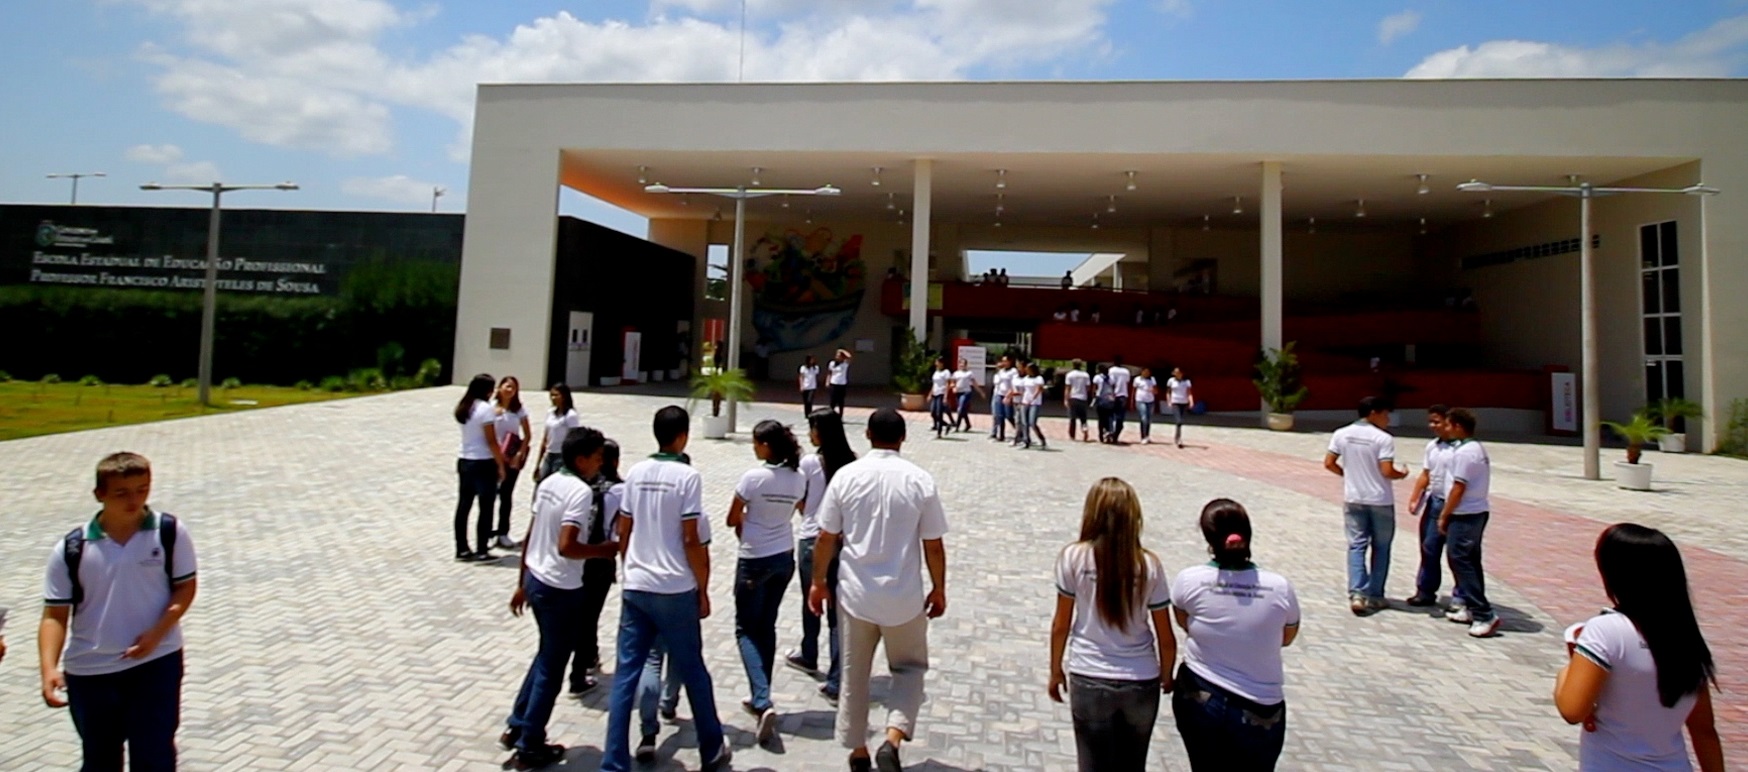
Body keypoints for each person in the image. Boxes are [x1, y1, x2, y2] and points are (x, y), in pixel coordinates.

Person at [40, 452, 198, 772]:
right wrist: (48, 669)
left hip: (156, 663)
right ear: (99, 494)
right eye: (122, 493)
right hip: (91, 671)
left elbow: (185, 587)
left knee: (154, 756)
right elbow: (54, 615)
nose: (134, 500)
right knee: (100, 759)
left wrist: (157, 634)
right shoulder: (73, 548)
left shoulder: (169, 532)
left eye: (142, 489)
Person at [810, 408, 949, 772]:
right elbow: (933, 543)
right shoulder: (920, 480)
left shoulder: (846, 477)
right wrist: (939, 588)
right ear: (903, 438)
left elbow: (826, 537)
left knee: (855, 674)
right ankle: (893, 735)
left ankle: (858, 750)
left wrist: (818, 582)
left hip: (856, 594)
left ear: (868, 435)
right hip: (904, 596)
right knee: (910, 667)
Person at [602, 406, 730, 772]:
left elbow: (624, 529)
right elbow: (692, 537)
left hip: (637, 585)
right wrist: (702, 586)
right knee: (692, 669)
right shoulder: (687, 477)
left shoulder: (636, 474)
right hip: (675, 587)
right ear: (683, 436)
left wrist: (631, 568)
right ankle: (711, 747)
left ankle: (613, 759)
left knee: (627, 673)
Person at [1554, 524, 1723, 771]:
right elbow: (1704, 731)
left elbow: (1572, 709)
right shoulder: (1686, 638)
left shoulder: (1605, 630)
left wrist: (1565, 673)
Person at [499, 427, 614, 769]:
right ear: (581, 459)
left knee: (545, 654)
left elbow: (532, 534)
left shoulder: (548, 482)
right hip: (560, 589)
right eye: (596, 458)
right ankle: (531, 744)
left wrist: (522, 582)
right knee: (552, 666)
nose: (600, 464)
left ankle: (518, 724)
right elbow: (567, 546)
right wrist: (603, 550)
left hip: (536, 578)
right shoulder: (579, 492)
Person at [1048, 478, 1176, 772]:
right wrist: (1166, 674)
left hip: (1090, 674)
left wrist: (1055, 669)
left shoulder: (1073, 557)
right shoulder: (1149, 565)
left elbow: (1060, 624)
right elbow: (1165, 635)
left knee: (1092, 765)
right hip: (1141, 678)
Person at [1172, 499, 1300, 771]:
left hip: (1201, 695)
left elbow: (1185, 622)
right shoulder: (1279, 587)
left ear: (1208, 537)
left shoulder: (1189, 580)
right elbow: (1287, 637)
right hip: (1260, 705)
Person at [726, 420, 807, 743]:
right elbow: (800, 510)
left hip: (754, 559)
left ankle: (761, 698)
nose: (754, 448)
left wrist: (748, 522)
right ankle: (762, 693)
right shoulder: (798, 478)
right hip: (782, 556)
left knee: (745, 628)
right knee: (767, 625)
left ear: (767, 446)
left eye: (756, 443)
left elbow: (732, 517)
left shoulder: (753, 478)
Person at [787, 409, 857, 704]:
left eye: (812, 428)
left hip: (813, 539)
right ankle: (837, 675)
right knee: (836, 613)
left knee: (811, 600)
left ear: (821, 432)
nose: (810, 434)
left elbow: (800, 499)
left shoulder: (809, 463)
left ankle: (809, 652)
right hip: (841, 541)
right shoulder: (851, 462)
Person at [1323, 397, 1409, 616]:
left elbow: (1329, 463)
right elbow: (1387, 470)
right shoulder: (1383, 438)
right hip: (1380, 499)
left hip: (1354, 498)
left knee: (1356, 545)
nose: (1387, 419)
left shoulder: (1341, 434)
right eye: (1385, 414)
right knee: (1381, 547)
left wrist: (1347, 474)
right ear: (1373, 413)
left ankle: (1357, 593)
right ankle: (1376, 595)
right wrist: (1402, 475)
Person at [1436, 408, 1499, 638]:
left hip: (1465, 514)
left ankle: (1484, 613)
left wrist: (1445, 514)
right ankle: (1472, 607)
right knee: (1470, 560)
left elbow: (1458, 487)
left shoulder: (1465, 453)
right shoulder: (1474, 449)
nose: (1446, 428)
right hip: (1475, 511)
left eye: (1449, 425)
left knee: (1460, 560)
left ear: (1459, 427)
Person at [570, 439, 625, 696]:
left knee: (582, 612)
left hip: (577, 554)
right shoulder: (620, 489)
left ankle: (588, 657)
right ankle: (578, 672)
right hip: (602, 556)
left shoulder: (583, 484)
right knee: (590, 614)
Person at [1405, 405, 1458, 608]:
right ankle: (1425, 591)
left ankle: (1461, 595)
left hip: (1454, 505)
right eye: (1431, 421)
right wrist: (1414, 497)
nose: (1433, 426)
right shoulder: (1432, 447)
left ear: (1449, 422)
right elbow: (1426, 474)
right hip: (1433, 501)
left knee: (1456, 553)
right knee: (1428, 547)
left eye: (1437, 421)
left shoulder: (1460, 449)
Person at [455, 373, 507, 561]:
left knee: (464, 505)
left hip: (465, 459)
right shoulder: (486, 409)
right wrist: (500, 465)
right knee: (486, 506)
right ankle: (482, 549)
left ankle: (461, 548)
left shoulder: (465, 407)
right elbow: (491, 441)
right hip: (483, 461)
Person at [493, 376, 533, 550]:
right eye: (507, 386)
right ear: (500, 387)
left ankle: (503, 532)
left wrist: (519, 453)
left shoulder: (519, 410)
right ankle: (487, 532)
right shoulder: (491, 409)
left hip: (511, 457)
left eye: (513, 388)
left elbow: (528, 434)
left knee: (506, 495)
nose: (510, 390)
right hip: (493, 457)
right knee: (489, 496)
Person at [533, 384, 582, 485]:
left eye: (556, 395)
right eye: (551, 395)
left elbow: (574, 438)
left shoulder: (570, 415)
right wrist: (538, 464)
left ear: (564, 396)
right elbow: (545, 437)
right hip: (549, 454)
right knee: (541, 484)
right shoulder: (550, 413)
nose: (553, 398)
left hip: (561, 456)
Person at [1015, 362, 1048, 450]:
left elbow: (1038, 389)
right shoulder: (1026, 378)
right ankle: (1026, 441)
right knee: (1024, 423)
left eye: (1028, 369)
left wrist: (1032, 399)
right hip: (1025, 402)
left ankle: (1042, 439)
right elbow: (1023, 390)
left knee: (1032, 423)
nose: (1026, 370)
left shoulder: (1038, 378)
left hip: (1034, 403)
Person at [1165, 367, 1196, 449]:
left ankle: (1177, 436)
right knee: (1178, 421)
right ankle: (1179, 439)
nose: (1177, 374)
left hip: (1184, 402)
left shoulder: (1186, 382)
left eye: (1178, 372)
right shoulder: (1171, 381)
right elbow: (1168, 392)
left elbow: (1189, 392)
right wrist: (1169, 401)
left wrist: (1191, 401)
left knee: (1180, 421)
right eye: (1175, 372)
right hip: (1175, 402)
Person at [988, 355, 1017, 443]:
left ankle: (1019, 430)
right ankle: (1001, 435)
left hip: (1007, 395)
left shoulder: (1013, 371)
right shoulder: (1000, 372)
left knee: (1008, 415)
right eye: (1003, 361)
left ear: (1010, 362)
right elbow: (996, 382)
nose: (1004, 363)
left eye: (1006, 361)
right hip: (999, 394)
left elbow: (1014, 384)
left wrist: (1010, 395)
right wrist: (997, 371)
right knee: (999, 415)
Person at [1063, 360, 1091, 442]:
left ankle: (1072, 436)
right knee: (1083, 418)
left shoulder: (1070, 375)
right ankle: (1085, 430)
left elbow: (1068, 388)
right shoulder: (1086, 375)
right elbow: (1088, 387)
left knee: (1072, 418)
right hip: (1083, 397)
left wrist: (1066, 399)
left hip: (1073, 397)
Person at [950, 357, 980, 432]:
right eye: (960, 364)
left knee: (960, 409)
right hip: (958, 393)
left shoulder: (969, 373)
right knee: (962, 410)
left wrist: (980, 392)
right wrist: (953, 387)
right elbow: (952, 382)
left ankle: (957, 425)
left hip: (966, 392)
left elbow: (974, 383)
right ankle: (968, 424)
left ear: (966, 365)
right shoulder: (956, 373)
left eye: (963, 364)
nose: (962, 365)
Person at [1106, 356, 1131, 443]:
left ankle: (1110, 431)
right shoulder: (1126, 371)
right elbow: (1127, 382)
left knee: (1110, 415)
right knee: (1120, 417)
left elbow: (1111, 382)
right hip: (1123, 395)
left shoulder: (1112, 370)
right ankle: (1116, 435)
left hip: (1113, 395)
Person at [1132, 367, 1158, 445]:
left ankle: (1147, 435)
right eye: (1145, 372)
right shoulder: (1137, 379)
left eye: (1148, 372)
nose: (1146, 373)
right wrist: (1132, 401)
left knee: (1149, 419)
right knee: (1144, 418)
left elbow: (1156, 391)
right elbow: (1134, 390)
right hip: (1140, 400)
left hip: (1150, 401)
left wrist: (1153, 390)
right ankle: (1143, 436)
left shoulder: (1152, 379)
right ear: (1142, 372)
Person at [928, 357, 951, 439]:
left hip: (941, 394)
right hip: (935, 393)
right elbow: (934, 384)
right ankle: (947, 424)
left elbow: (948, 384)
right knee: (933, 413)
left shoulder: (946, 372)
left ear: (942, 363)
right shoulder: (936, 372)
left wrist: (945, 396)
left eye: (937, 362)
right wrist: (930, 394)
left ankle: (939, 433)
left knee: (939, 413)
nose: (936, 364)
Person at [1093, 364, 1115, 444]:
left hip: (1100, 399)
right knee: (1109, 417)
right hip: (1110, 400)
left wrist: (1093, 399)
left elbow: (1095, 389)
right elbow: (1113, 388)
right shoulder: (1111, 378)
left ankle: (1101, 435)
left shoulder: (1097, 377)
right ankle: (1109, 431)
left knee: (1101, 418)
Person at [828, 349, 853, 416]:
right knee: (833, 401)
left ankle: (840, 415)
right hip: (833, 383)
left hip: (842, 384)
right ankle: (830, 415)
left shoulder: (845, 364)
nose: (837, 357)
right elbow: (830, 373)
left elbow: (849, 356)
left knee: (840, 401)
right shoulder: (832, 363)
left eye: (839, 356)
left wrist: (842, 350)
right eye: (837, 355)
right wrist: (827, 381)